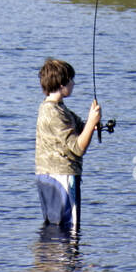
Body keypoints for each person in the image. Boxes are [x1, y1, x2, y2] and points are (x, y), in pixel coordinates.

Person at [34, 59, 102, 229]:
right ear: (62, 83)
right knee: (68, 230)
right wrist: (93, 120)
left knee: (55, 228)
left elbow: (81, 128)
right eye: (71, 79)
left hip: (50, 175)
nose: (74, 83)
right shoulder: (55, 113)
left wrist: (92, 122)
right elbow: (78, 148)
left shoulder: (55, 108)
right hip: (61, 176)